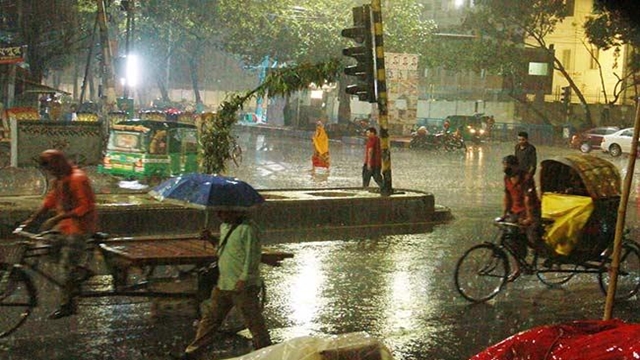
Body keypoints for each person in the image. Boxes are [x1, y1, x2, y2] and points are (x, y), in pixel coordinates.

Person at [180, 210, 271, 359]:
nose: (219, 215)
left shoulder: (248, 229)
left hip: (242, 287)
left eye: (223, 211)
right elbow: (225, 251)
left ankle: (267, 352)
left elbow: (253, 256)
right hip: (223, 284)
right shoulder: (224, 227)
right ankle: (192, 352)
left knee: (254, 322)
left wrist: (245, 278)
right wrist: (211, 239)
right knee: (210, 320)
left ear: (234, 211)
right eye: (219, 211)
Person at [19, 149, 98, 319]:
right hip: (64, 227)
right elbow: (50, 201)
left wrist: (59, 217)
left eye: (52, 168)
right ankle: (79, 271)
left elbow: (86, 206)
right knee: (44, 246)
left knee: (66, 269)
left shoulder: (78, 179)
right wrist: (31, 220)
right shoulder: (60, 180)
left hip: (79, 229)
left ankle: (68, 304)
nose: (51, 172)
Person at [501, 155, 541, 281]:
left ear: (516, 166)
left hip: (530, 211)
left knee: (531, 236)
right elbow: (507, 196)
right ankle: (517, 268)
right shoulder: (507, 178)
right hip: (515, 211)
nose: (506, 169)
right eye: (504, 166)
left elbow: (527, 199)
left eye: (509, 166)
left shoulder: (526, 178)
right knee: (511, 240)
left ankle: (538, 254)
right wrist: (504, 213)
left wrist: (529, 218)